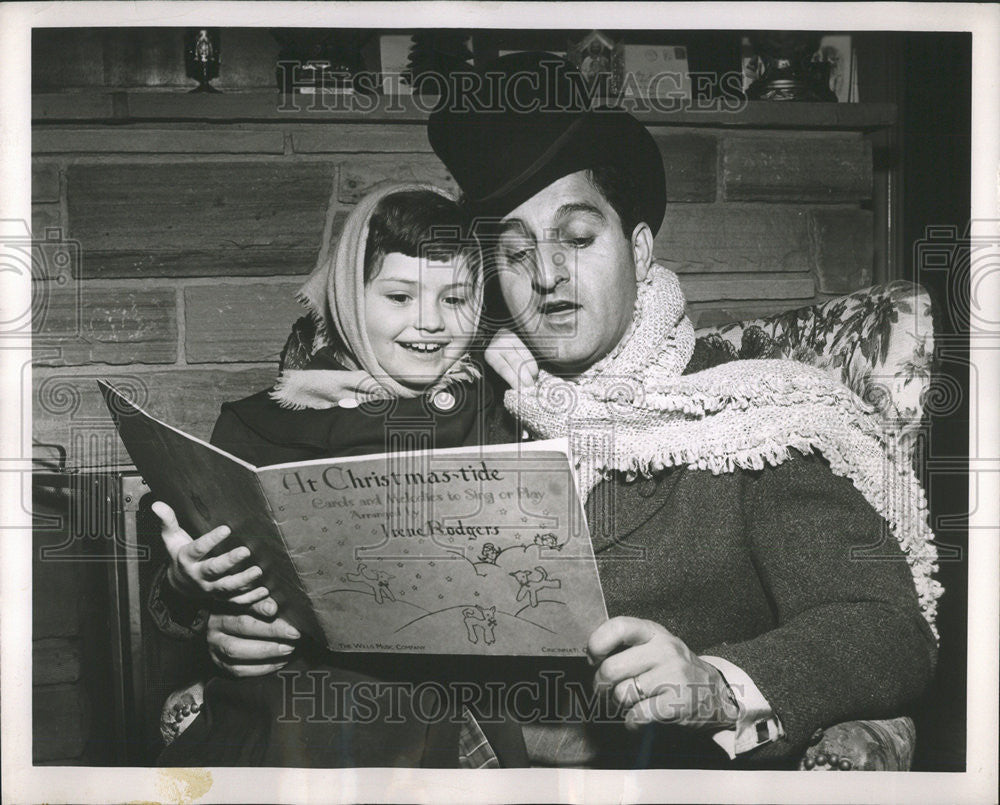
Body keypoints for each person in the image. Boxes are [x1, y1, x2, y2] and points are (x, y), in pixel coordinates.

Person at [187, 53, 940, 769]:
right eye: (515, 254)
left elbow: (885, 629)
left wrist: (715, 682)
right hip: (434, 757)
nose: (547, 274)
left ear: (639, 250)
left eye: (577, 238)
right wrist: (236, 620)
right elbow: (327, 548)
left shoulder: (757, 414)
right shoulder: (463, 397)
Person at [149, 182, 510, 767]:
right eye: (398, 296)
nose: (431, 323)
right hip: (286, 694)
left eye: (456, 298)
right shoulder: (256, 425)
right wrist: (190, 588)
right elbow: (174, 608)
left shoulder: (502, 409)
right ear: (347, 295)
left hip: (450, 695)